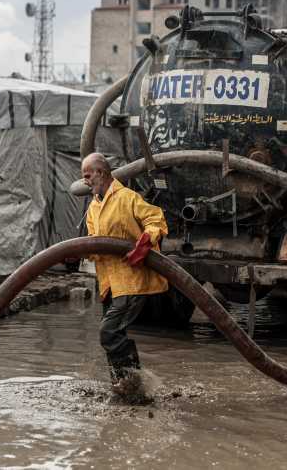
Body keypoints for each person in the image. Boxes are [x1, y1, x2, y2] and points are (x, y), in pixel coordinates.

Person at [81, 153, 168, 394]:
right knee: (112, 335)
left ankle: (132, 382)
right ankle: (124, 386)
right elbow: (95, 245)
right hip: (108, 283)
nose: (85, 181)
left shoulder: (128, 198)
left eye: (87, 175)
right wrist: (81, 252)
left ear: (100, 172)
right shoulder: (93, 208)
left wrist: (144, 243)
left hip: (131, 280)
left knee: (108, 332)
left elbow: (156, 220)